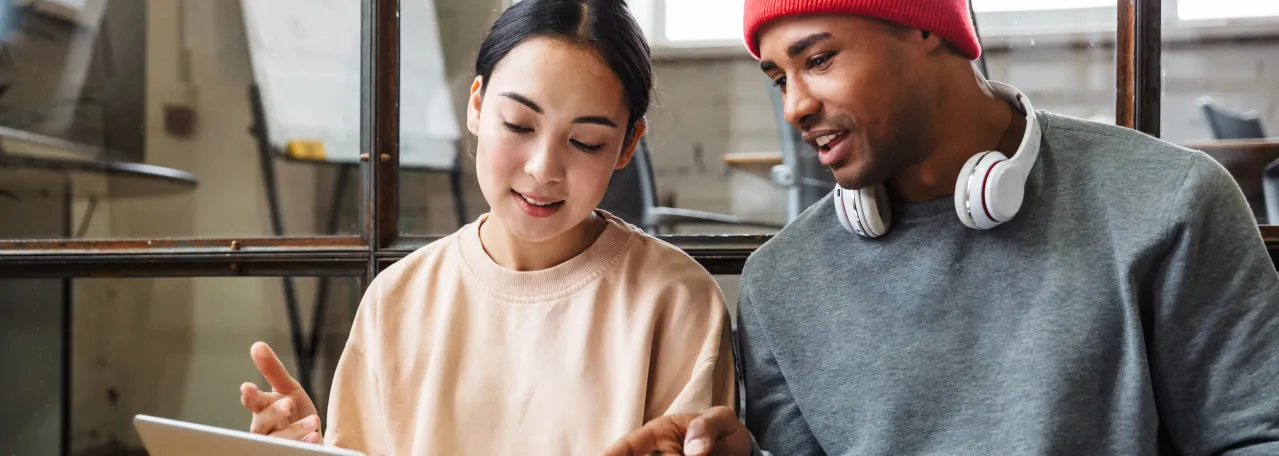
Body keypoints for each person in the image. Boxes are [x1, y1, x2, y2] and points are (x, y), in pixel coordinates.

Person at [605, 0, 1279, 455]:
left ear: (927, 27)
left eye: (817, 59)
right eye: (777, 78)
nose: (795, 107)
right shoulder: (782, 281)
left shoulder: (1166, 203)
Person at [237, 1, 737, 454]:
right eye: (520, 125)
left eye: (585, 142)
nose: (544, 168)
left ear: (628, 145)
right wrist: (305, 449)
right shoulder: (398, 299)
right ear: (476, 105)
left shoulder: (675, 301)